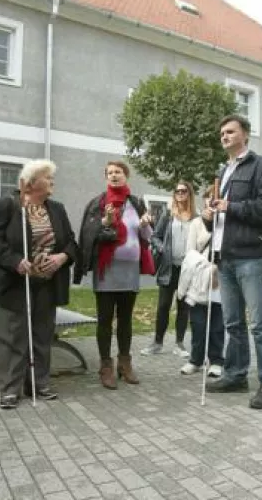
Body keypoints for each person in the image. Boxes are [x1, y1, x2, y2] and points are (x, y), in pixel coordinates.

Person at [202, 114, 262, 410]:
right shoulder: (224, 171)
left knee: (259, 324)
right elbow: (220, 218)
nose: (224, 136)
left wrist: (229, 206)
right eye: (222, 132)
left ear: (245, 135)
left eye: (230, 131)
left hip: (251, 256)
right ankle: (235, 375)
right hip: (225, 257)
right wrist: (208, 216)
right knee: (233, 322)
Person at [0, 159, 77, 409]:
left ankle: (39, 382)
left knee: (41, 335)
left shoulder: (56, 209)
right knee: (13, 336)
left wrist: (62, 257)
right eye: (49, 178)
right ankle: (9, 389)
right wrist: (15, 261)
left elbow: (70, 242)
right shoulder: (8, 206)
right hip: (15, 283)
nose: (53, 182)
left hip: (47, 284)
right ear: (33, 183)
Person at [75, 161, 154, 389]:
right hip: (106, 270)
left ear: (126, 175)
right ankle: (106, 366)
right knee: (105, 319)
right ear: (106, 177)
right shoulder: (99, 203)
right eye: (110, 172)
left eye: (118, 172)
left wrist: (145, 224)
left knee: (126, 319)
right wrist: (105, 222)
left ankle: (125, 363)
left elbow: (146, 236)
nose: (114, 175)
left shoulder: (135, 203)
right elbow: (89, 235)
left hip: (129, 271)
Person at [141, 181, 198, 357]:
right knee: (163, 306)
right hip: (168, 267)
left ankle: (179, 344)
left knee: (183, 307)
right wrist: (162, 248)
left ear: (189, 194)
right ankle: (157, 343)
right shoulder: (168, 215)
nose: (180, 194)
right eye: (177, 191)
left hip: (187, 269)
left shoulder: (196, 217)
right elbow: (155, 236)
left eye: (184, 191)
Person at [177, 184, 226, 377]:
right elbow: (190, 253)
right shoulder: (197, 223)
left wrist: (217, 270)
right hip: (199, 278)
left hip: (219, 279)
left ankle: (216, 360)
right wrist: (206, 268)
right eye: (208, 197)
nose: (211, 201)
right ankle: (196, 359)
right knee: (197, 322)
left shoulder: (225, 222)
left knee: (217, 322)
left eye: (215, 198)